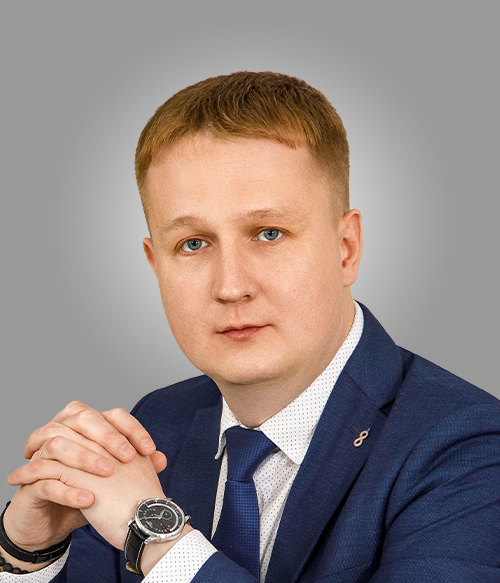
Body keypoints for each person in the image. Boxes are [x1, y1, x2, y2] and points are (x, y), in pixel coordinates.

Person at [1, 71, 499, 582]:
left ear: (346, 249)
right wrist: (27, 552)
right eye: (193, 244)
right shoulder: (156, 425)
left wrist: (155, 533)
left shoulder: (470, 448)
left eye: (268, 233)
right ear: (155, 265)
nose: (231, 286)